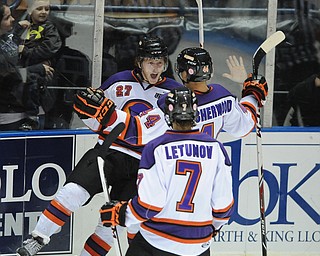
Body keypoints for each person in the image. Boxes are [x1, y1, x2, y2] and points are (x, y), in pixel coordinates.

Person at [72, 47, 267, 253]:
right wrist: (252, 94)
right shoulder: (222, 115)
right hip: (199, 223)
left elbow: (135, 130)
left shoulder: (164, 129)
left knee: (133, 234)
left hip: (162, 227)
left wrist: (106, 114)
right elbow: (246, 123)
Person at [16, 35, 182, 256]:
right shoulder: (118, 81)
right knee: (71, 193)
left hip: (144, 166)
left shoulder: (172, 93)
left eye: (160, 62)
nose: (156, 68)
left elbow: (144, 131)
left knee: (111, 225)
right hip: (109, 152)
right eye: (151, 62)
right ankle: (38, 238)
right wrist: (87, 111)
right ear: (139, 61)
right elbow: (96, 119)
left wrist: (109, 116)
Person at [99, 87, 234, 256]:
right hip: (199, 245)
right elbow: (223, 205)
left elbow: (150, 204)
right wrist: (209, 231)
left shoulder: (156, 148)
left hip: (158, 241)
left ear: (168, 115)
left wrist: (121, 214)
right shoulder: (217, 149)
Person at [0, 2, 53, 131]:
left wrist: (17, 32)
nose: (13, 19)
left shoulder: (5, 38)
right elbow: (9, 75)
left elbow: (11, 48)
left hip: (29, 109)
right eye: (7, 18)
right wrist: (38, 69)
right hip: (11, 115)